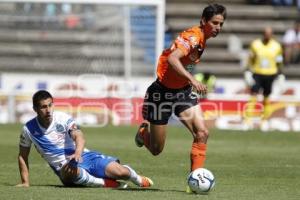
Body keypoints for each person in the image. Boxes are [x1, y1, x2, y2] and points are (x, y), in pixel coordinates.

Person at [134, 4, 226, 192]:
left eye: (221, 24)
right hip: (161, 93)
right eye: (214, 23)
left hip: (182, 92)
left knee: (202, 133)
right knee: (156, 150)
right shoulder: (192, 37)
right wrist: (192, 79)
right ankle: (144, 133)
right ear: (203, 21)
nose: (218, 27)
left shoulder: (202, 39)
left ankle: (196, 181)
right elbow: (173, 59)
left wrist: (187, 82)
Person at [17, 90, 153, 188]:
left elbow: (79, 136)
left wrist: (77, 153)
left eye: (50, 105)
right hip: (66, 170)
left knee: (121, 172)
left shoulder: (62, 118)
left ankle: (138, 179)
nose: (48, 110)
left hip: (84, 156)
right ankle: (104, 183)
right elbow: (23, 156)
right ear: (35, 108)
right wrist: (25, 182)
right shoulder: (28, 129)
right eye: (43, 107)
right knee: (68, 169)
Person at [244, 27, 284, 128]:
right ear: (263, 34)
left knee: (267, 96)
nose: (267, 35)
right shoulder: (255, 44)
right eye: (266, 33)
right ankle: (248, 120)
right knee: (253, 94)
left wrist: (280, 74)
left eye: (269, 34)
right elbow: (250, 58)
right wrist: (248, 70)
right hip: (258, 73)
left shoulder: (277, 46)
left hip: (271, 74)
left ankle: (264, 121)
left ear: (272, 35)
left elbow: (279, 60)